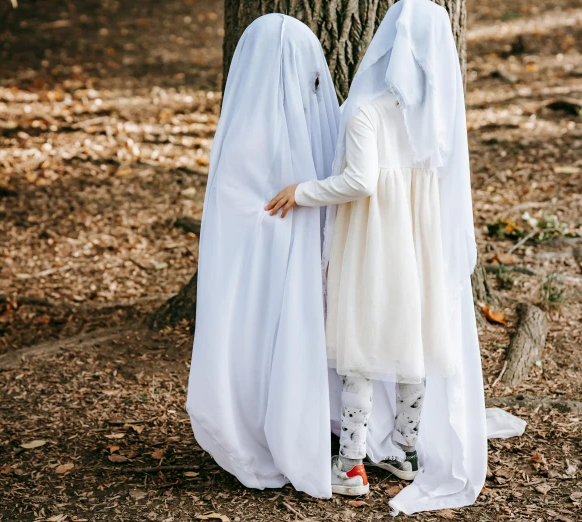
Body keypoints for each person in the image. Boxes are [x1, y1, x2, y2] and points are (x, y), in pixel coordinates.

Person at [266, 0, 525, 512]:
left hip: (373, 243)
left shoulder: (367, 110)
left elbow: (359, 182)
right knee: (414, 342)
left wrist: (303, 191)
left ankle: (352, 463)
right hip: (422, 245)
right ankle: (405, 449)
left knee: (361, 346)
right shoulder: (437, 116)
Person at [187, 14, 340, 498]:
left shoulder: (301, 120)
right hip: (257, 271)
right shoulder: (252, 130)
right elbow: (239, 205)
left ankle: (304, 421)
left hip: (289, 265)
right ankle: (266, 426)